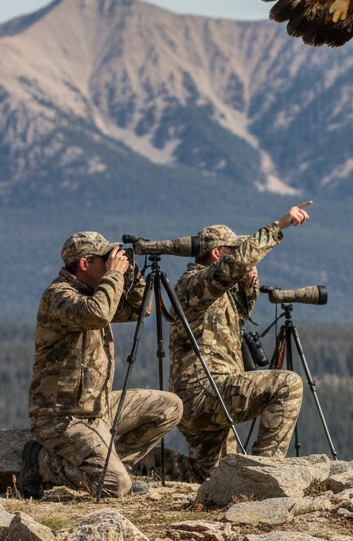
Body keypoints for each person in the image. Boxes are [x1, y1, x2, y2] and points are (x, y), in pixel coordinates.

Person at [20, 232, 184, 499]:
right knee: (115, 486)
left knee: (169, 407)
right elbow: (98, 313)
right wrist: (114, 276)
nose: (111, 263)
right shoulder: (58, 296)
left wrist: (131, 275)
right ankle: (39, 459)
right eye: (105, 259)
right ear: (84, 264)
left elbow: (139, 309)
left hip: (97, 406)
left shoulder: (97, 293)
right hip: (62, 416)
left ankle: (118, 463)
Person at [169, 201, 312, 476]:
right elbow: (236, 263)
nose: (237, 255)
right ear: (215, 254)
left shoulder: (212, 290)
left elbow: (235, 319)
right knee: (287, 385)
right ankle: (262, 475)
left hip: (204, 394)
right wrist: (281, 224)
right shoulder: (194, 283)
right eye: (231, 250)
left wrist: (248, 288)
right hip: (203, 392)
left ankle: (138, 467)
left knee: (211, 473)